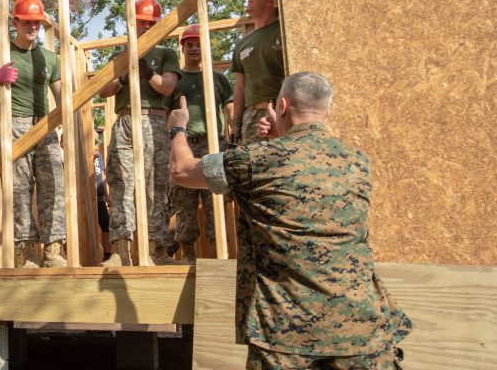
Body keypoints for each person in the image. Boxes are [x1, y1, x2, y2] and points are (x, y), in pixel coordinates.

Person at [168, 72, 411, 368]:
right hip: (364, 331)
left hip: (287, 336)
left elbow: (182, 170)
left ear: (282, 107)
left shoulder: (255, 159)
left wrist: (177, 128)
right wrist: (280, 140)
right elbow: (300, 171)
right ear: (327, 111)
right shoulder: (358, 161)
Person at [0, 0, 67, 267]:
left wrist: (65, 132)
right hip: (16, 125)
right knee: (19, 190)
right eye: (27, 21)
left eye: (36, 22)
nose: (32, 27)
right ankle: (29, 254)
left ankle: (52, 251)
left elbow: (61, 98)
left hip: (45, 126)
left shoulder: (51, 58)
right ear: (16, 21)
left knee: (53, 187)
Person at [95, 0, 181, 266]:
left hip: (153, 121)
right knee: (122, 184)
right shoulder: (119, 55)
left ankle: (156, 250)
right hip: (125, 121)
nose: (145, 27)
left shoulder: (167, 53)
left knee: (155, 186)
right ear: (131, 23)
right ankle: (122, 251)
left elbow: (167, 87)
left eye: (150, 23)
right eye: (141, 23)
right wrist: (123, 77)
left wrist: (147, 74)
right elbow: (102, 89)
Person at [164, 24, 233, 262]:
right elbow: (167, 115)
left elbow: (230, 108)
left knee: (216, 203)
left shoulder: (217, 79)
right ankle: (188, 257)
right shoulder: (176, 81)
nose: (194, 48)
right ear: (182, 49)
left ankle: (218, 256)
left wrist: (232, 139)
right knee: (184, 203)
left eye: (198, 44)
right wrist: (170, 145)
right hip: (185, 146)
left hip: (214, 146)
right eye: (189, 44)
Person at [230, 0, 284, 146]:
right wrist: (236, 123)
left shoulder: (285, 31)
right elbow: (240, 88)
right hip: (251, 116)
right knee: (252, 170)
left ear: (271, 1)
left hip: (280, 112)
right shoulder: (241, 44)